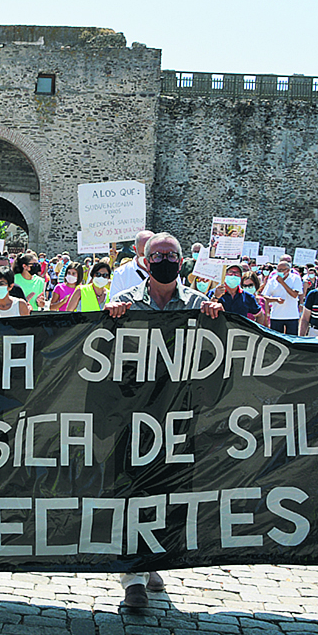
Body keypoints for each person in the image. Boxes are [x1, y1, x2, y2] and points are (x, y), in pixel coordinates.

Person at [102, 232, 225, 607]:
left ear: (182, 260)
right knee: (133, 489)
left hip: (178, 415)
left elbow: (216, 355)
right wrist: (111, 321)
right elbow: (103, 352)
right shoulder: (126, 302)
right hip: (135, 415)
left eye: (171, 255)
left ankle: (153, 556)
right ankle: (133, 576)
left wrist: (216, 320)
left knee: (169, 489)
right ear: (145, 261)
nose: (164, 261)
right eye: (157, 256)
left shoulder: (199, 305)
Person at [260, 256, 303, 335]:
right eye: (278, 270)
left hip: (292, 316)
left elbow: (294, 294)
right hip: (276, 316)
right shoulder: (272, 280)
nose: (279, 272)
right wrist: (275, 299)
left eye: (281, 270)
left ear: (288, 270)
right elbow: (264, 296)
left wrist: (282, 282)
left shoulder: (295, 278)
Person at [110, 231, 153, 297]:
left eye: (151, 254)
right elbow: (114, 302)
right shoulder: (121, 274)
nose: (147, 259)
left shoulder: (166, 270)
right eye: (143, 254)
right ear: (135, 250)